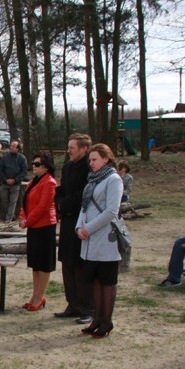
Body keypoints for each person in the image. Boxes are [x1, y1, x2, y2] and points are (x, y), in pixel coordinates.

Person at [76, 144, 123, 338]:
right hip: (90, 239)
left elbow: (111, 211)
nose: (91, 163)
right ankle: (97, 318)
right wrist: (79, 227)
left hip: (106, 240)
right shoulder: (92, 180)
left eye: (95, 159)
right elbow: (85, 206)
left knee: (106, 283)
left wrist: (89, 228)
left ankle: (106, 321)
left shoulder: (113, 180)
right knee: (95, 281)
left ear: (106, 159)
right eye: (90, 160)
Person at [54, 134, 94, 323]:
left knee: (80, 265)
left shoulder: (89, 168)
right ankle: (73, 304)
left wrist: (66, 203)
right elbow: (61, 190)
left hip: (82, 219)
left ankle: (88, 307)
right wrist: (60, 203)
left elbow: (83, 194)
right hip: (68, 221)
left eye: (72, 147)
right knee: (67, 263)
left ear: (84, 149)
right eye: (68, 147)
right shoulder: (68, 166)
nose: (68, 150)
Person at [19, 152, 58, 311]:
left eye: (37, 164)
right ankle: (35, 295)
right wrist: (23, 218)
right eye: (33, 163)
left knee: (43, 264)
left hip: (45, 226)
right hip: (33, 226)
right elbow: (25, 202)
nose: (33, 167)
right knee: (35, 263)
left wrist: (28, 221)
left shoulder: (50, 183)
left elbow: (43, 206)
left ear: (46, 167)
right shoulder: (32, 182)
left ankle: (40, 296)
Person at [0, 140, 28, 221]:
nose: (11, 147)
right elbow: (0, 170)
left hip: (16, 183)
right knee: (4, 201)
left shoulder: (22, 158)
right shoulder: (5, 158)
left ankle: (9, 219)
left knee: (13, 201)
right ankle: (9, 215)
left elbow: (24, 171)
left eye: (13, 146)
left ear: (18, 148)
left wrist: (15, 179)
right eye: (11, 146)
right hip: (5, 183)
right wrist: (5, 179)